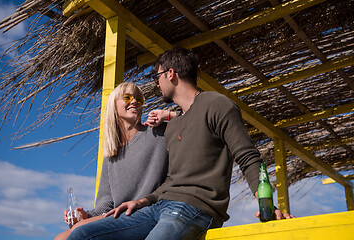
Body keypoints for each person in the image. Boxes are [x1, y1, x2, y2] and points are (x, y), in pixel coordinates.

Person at [68, 47, 293, 240]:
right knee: (81, 235)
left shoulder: (217, 104)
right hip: (157, 207)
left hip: (195, 207)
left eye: (157, 77)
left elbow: (248, 157)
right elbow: (171, 180)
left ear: (171, 74)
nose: (156, 84)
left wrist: (267, 204)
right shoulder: (174, 125)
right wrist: (141, 201)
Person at [54, 82, 168, 240]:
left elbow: (190, 123)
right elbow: (106, 202)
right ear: (114, 106)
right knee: (60, 237)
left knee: (79, 232)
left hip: (147, 212)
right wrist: (86, 215)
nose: (134, 101)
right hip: (117, 216)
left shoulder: (158, 133)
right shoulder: (112, 152)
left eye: (139, 99)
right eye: (127, 97)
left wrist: (169, 115)